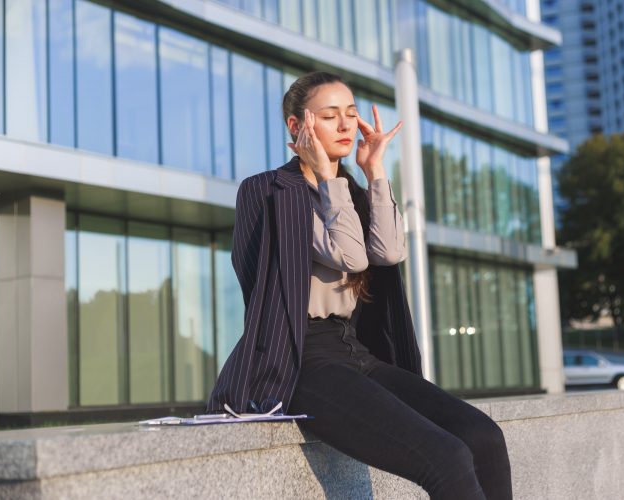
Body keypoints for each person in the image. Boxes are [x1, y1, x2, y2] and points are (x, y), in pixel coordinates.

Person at [207, 71, 513, 500]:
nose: (347, 125)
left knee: (483, 437)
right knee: (444, 457)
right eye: (330, 116)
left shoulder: (350, 190)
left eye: (351, 113)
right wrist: (329, 181)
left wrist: (374, 173)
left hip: (356, 354)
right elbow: (349, 256)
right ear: (297, 126)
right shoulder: (269, 191)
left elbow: (387, 253)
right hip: (303, 362)